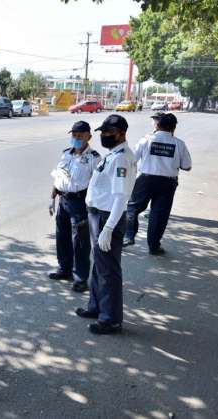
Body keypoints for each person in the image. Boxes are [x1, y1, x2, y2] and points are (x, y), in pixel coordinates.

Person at [75, 115, 136, 335]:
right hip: (98, 215)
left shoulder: (121, 159)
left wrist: (109, 228)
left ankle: (110, 319)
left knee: (108, 269)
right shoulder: (114, 155)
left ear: (121, 133)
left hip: (107, 217)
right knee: (99, 265)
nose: (103, 136)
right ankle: (96, 306)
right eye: (102, 132)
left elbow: (122, 197)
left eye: (107, 132)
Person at [124, 113, 191, 255]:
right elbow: (187, 166)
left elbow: (132, 159)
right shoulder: (179, 144)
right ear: (174, 128)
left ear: (158, 125)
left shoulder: (146, 140)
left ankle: (128, 235)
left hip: (145, 180)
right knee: (159, 215)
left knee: (132, 208)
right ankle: (154, 247)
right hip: (168, 183)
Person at [48, 121, 102, 293]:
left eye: (80, 135)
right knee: (62, 235)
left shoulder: (94, 158)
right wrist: (53, 193)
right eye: (74, 135)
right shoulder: (66, 154)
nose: (76, 138)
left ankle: (80, 278)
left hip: (80, 201)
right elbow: (59, 175)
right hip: (63, 199)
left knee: (80, 241)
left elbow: (98, 183)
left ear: (89, 137)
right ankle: (64, 268)